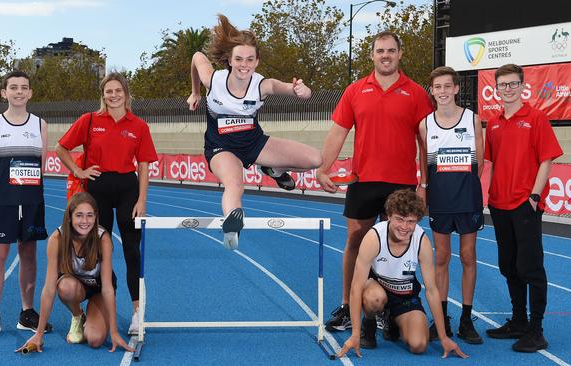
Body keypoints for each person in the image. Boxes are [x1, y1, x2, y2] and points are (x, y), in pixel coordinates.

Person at [316, 31, 432, 332]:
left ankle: (387, 307)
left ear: (399, 54)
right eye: (380, 50)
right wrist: (322, 168)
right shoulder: (355, 90)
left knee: (398, 244)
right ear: (372, 55)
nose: (386, 55)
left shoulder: (416, 93)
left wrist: (424, 184)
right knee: (355, 242)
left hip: (402, 183)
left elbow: (425, 142)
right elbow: (337, 132)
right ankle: (347, 304)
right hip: (363, 180)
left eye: (391, 50)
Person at [187, 14, 322, 250]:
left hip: (254, 143)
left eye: (250, 59)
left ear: (257, 62)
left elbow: (289, 89)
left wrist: (301, 90)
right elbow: (197, 57)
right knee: (234, 183)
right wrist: (196, 92)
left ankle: (274, 169)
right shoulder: (214, 80)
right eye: (239, 59)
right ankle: (232, 223)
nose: (244, 65)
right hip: (221, 147)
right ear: (229, 59)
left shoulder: (262, 85)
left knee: (315, 159)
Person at [56, 72, 158, 336]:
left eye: (118, 91)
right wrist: (78, 172)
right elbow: (61, 148)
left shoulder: (139, 125)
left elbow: (144, 165)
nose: (113, 95)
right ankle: (99, 305)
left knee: (132, 252)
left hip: (127, 189)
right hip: (97, 189)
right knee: (99, 252)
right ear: (103, 95)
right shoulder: (89, 120)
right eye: (108, 91)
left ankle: (137, 312)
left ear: (126, 93)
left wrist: (142, 199)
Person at [484, 64, 562, 352]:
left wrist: (534, 196)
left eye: (513, 84)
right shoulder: (492, 123)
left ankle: (536, 330)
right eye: (503, 85)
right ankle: (518, 321)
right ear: (496, 88)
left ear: (522, 86)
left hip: (524, 204)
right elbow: (491, 162)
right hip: (499, 204)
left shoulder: (537, 118)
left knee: (530, 267)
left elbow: (547, 160)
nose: (508, 89)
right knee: (508, 266)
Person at [336, 189, 467, 359]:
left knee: (419, 345)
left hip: (404, 295)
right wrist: (353, 334)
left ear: (418, 221)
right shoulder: (374, 237)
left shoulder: (422, 241)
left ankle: (392, 321)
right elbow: (356, 287)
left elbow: (432, 290)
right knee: (374, 298)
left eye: (410, 221)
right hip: (377, 289)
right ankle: (368, 324)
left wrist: (443, 337)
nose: (404, 227)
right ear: (389, 216)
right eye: (399, 219)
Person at [0, 70, 52, 339]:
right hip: (2, 202)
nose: (19, 92)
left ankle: (27, 312)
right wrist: (6, 192)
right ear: (4, 93)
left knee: (29, 254)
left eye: (24, 87)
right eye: (13, 87)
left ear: (30, 93)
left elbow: (40, 166)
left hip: (32, 202)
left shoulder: (40, 125)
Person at [16, 192, 134, 353]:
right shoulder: (57, 239)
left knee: (95, 340)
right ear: (70, 217)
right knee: (65, 287)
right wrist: (39, 335)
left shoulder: (103, 239)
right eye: (79, 215)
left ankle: (94, 319)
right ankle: (78, 315)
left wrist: (113, 332)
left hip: (98, 290)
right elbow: (49, 289)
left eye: (89, 215)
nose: (84, 221)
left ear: (95, 217)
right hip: (74, 286)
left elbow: (107, 287)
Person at [418, 66, 484, 344]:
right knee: (441, 258)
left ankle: (467, 320)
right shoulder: (425, 124)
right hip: (441, 199)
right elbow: (424, 162)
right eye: (438, 87)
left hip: (467, 198)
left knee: (468, 256)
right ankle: (441, 317)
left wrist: (465, 185)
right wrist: (425, 187)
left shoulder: (472, 119)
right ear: (431, 91)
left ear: (457, 89)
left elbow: (478, 163)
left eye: (448, 86)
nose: (443, 91)